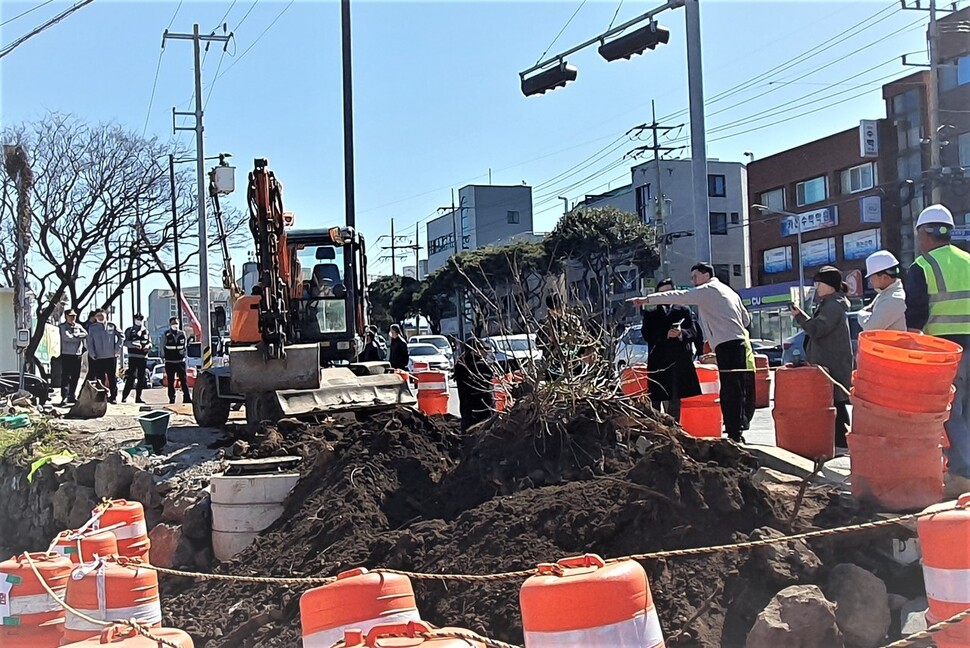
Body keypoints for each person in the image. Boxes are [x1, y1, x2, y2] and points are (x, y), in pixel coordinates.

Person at [630, 263, 754, 442]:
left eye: (695, 277)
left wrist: (646, 299)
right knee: (737, 388)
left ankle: (734, 433)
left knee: (729, 389)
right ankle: (737, 430)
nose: (693, 281)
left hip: (726, 345)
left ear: (705, 275)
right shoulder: (730, 291)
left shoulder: (707, 290)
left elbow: (680, 295)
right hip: (739, 343)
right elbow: (746, 319)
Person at [904, 204, 970, 497]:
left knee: (950, 412)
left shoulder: (923, 266)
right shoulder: (968, 260)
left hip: (944, 350)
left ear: (922, 234)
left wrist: (911, 346)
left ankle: (963, 474)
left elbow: (916, 310)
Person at [790, 266, 853, 448]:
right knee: (835, 402)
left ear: (830, 285)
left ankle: (841, 441)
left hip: (831, 363)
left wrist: (800, 317)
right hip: (831, 361)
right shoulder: (830, 304)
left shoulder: (832, 306)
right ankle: (840, 440)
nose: (817, 287)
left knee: (836, 402)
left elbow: (817, 329)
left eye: (820, 283)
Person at [640, 278, 702, 421]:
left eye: (668, 292)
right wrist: (664, 334)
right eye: (662, 293)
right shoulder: (651, 313)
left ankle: (675, 427)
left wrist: (681, 334)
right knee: (656, 398)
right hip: (658, 360)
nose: (665, 296)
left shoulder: (684, 310)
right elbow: (647, 334)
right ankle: (657, 429)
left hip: (678, 360)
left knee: (675, 397)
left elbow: (694, 332)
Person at [858, 250, 907, 332]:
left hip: (890, 344)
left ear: (884, 277)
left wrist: (861, 313)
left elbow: (870, 327)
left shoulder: (893, 299)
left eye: (872, 277)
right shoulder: (886, 294)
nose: (870, 281)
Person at [454, 338, 494, 431]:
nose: (485, 352)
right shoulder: (477, 366)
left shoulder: (461, 364)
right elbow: (485, 383)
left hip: (467, 410)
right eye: (483, 349)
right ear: (474, 351)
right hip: (480, 409)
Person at [86, 309, 124, 404]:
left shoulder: (112, 325)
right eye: (98, 315)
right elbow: (89, 342)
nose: (100, 317)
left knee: (112, 378)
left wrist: (117, 349)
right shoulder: (92, 328)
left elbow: (122, 336)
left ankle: (113, 397)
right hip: (98, 357)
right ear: (95, 317)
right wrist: (92, 353)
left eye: (101, 315)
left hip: (111, 356)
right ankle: (103, 396)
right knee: (100, 379)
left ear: (105, 315)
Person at [57, 309, 87, 405]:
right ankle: (64, 396)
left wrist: (76, 335)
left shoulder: (78, 326)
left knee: (75, 376)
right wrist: (77, 338)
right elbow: (66, 338)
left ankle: (71, 395)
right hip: (66, 354)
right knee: (66, 376)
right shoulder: (62, 327)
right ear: (66, 317)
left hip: (77, 354)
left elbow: (85, 334)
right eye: (70, 316)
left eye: (74, 316)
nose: (72, 318)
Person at [121, 314, 151, 403]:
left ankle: (138, 397)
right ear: (134, 319)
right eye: (137, 319)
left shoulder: (146, 331)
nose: (139, 320)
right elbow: (125, 342)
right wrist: (134, 344)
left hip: (143, 357)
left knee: (141, 378)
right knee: (131, 377)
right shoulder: (129, 330)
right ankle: (124, 396)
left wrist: (148, 346)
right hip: (133, 357)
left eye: (141, 319)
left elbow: (150, 342)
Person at [163, 317, 192, 405]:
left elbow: (185, 346)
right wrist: (163, 357)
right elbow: (162, 346)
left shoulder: (182, 334)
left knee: (184, 380)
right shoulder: (166, 334)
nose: (175, 325)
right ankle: (172, 398)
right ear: (170, 324)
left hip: (180, 361)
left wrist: (184, 356)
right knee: (171, 381)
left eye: (176, 323)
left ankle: (187, 398)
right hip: (170, 361)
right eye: (173, 323)